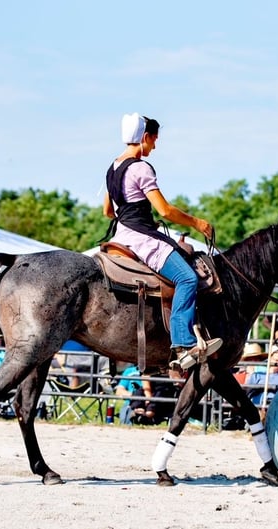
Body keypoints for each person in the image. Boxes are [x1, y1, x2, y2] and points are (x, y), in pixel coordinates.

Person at [102, 113, 221, 372]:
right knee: (187, 278)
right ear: (145, 137)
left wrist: (134, 214)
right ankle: (183, 342)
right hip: (141, 239)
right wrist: (198, 223)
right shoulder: (140, 168)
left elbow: (108, 213)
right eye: (154, 140)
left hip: (120, 236)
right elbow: (165, 210)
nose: (154, 146)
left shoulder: (113, 167)